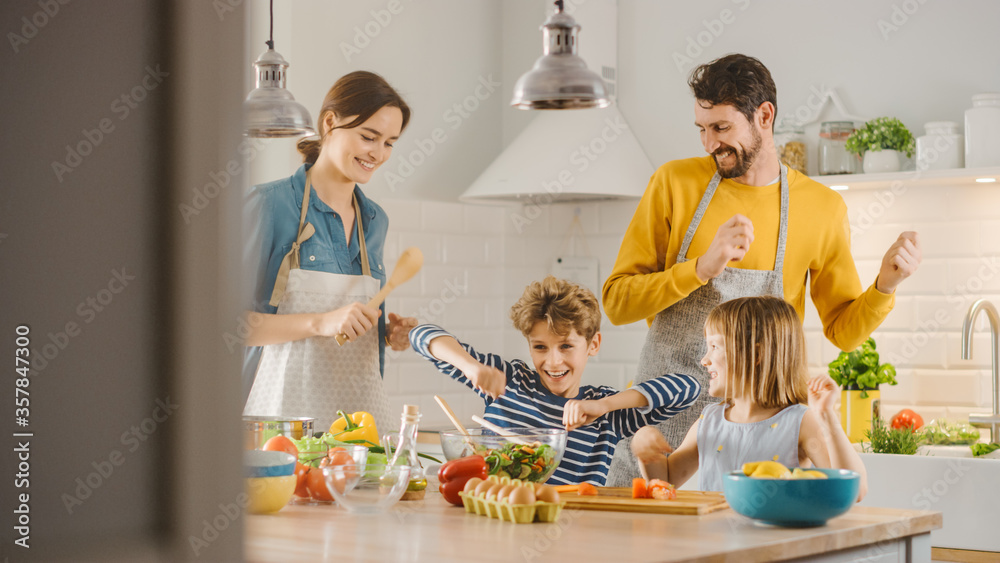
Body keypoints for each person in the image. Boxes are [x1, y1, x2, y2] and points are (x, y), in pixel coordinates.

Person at [601, 53, 921, 486]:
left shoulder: (821, 207)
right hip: (662, 426)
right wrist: (700, 268)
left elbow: (843, 331)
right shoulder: (674, 184)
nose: (710, 143)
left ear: (764, 116)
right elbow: (618, 304)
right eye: (702, 129)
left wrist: (886, 285)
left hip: (762, 438)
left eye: (722, 128)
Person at [242, 71, 418, 434]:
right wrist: (320, 322)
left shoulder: (375, 221)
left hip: (357, 432)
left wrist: (385, 332)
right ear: (329, 122)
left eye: (389, 142)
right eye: (369, 137)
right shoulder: (269, 205)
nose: (378, 153)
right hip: (278, 430)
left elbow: (347, 325)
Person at [409, 276, 701, 485]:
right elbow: (421, 335)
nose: (553, 362)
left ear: (593, 344)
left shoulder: (605, 414)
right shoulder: (509, 381)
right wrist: (470, 366)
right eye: (540, 347)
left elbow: (688, 388)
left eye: (566, 346)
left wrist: (604, 405)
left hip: (573, 533)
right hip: (495, 515)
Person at [631, 296, 868, 500]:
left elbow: (854, 490)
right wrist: (646, 449)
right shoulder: (709, 421)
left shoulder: (800, 421)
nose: (704, 360)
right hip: (713, 545)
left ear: (756, 354)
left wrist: (826, 415)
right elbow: (667, 480)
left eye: (714, 346)